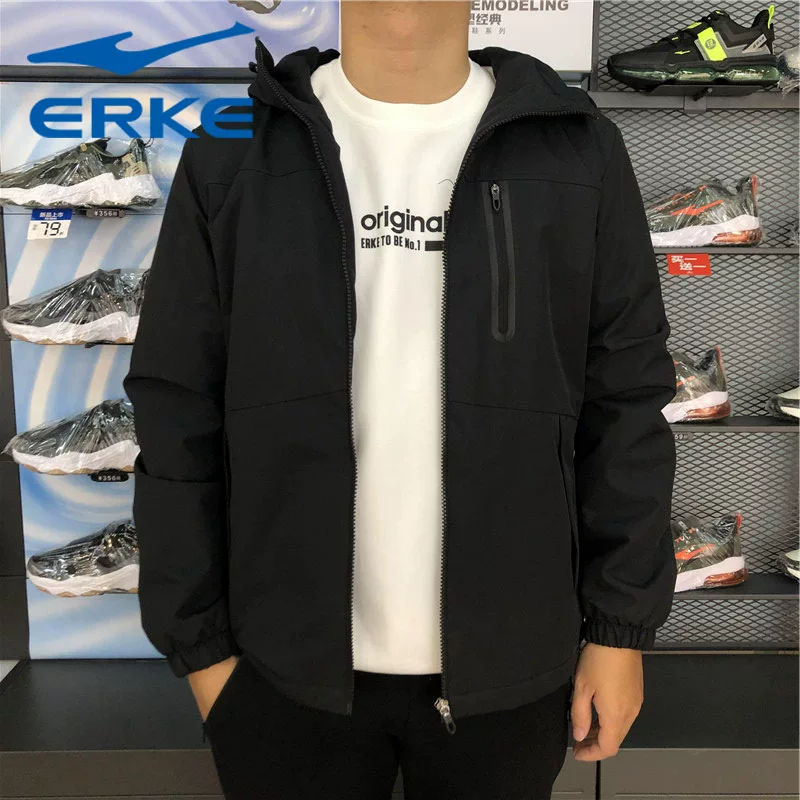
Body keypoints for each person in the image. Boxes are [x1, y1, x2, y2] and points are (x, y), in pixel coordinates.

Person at [123, 2, 677, 797]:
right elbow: (177, 406)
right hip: (278, 678)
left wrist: (619, 630)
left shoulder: (578, 147)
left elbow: (626, 401)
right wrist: (205, 658)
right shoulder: (232, 151)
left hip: (514, 672)